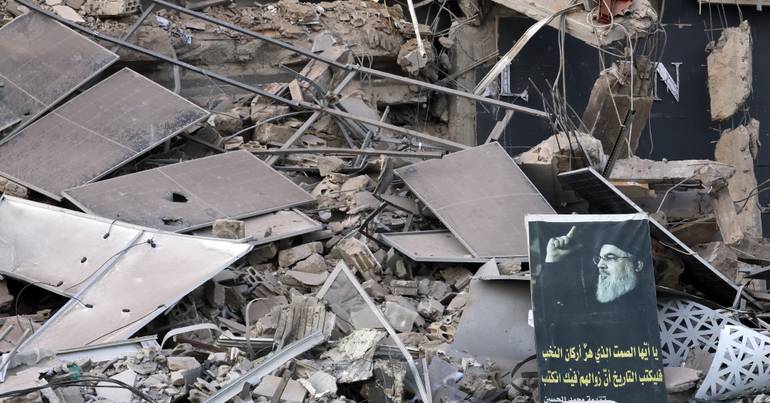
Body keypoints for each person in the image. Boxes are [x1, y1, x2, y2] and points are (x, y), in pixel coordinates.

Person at [544, 225, 645, 303]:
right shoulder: (588, 299)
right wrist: (553, 259)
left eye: (610, 258)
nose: (599, 265)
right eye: (600, 258)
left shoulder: (645, 304)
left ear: (637, 265)